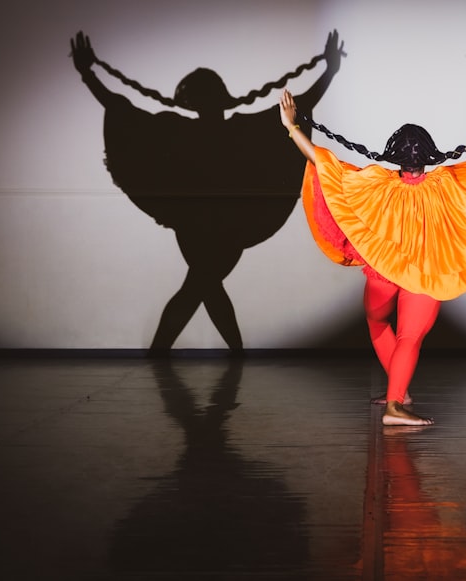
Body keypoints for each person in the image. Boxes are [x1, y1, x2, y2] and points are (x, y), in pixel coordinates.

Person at [278, 86, 466, 426]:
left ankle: (400, 393)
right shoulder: (448, 182)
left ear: (396, 156)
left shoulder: (376, 182)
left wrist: (291, 126)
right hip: (425, 275)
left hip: (380, 276)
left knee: (377, 323)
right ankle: (395, 406)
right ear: (428, 155)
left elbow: (323, 162)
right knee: (409, 337)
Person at [70, 30, 344, 355]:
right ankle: (207, 354)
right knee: (204, 283)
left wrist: (88, 75)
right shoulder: (219, 130)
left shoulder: (190, 131)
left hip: (205, 224)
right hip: (219, 224)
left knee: (202, 284)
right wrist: (330, 71)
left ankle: (171, 352)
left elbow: (124, 110)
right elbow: (124, 110)